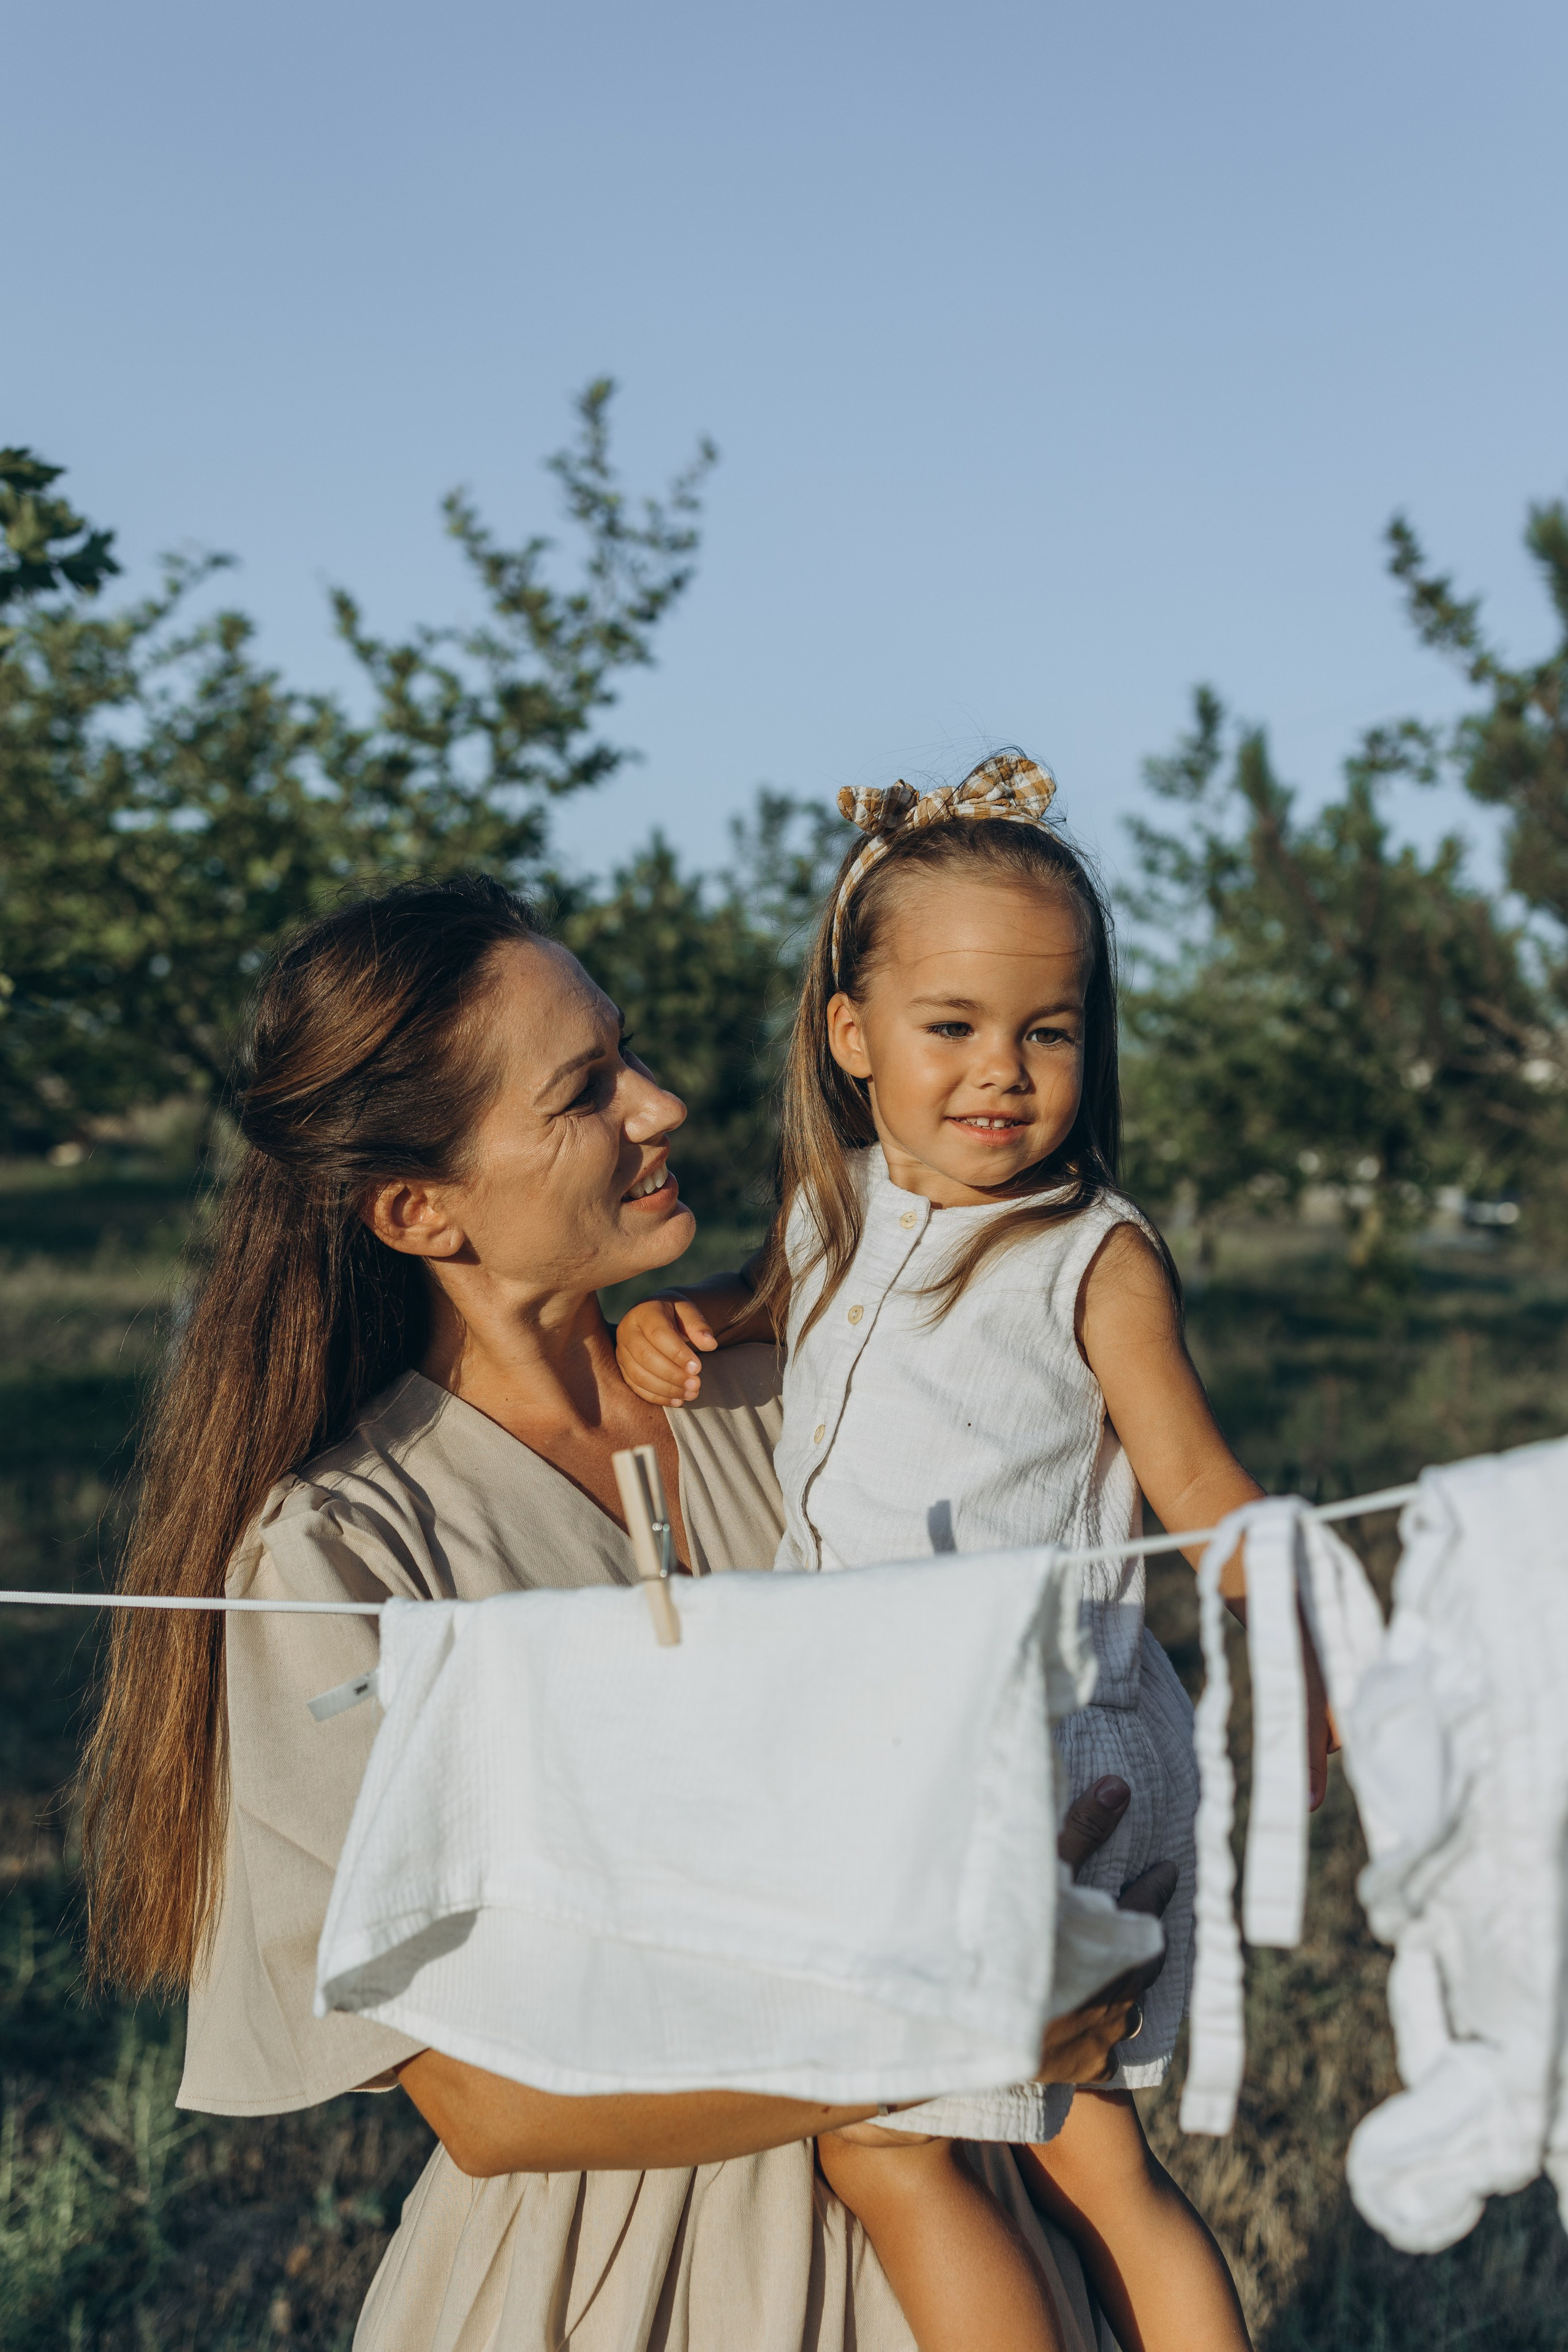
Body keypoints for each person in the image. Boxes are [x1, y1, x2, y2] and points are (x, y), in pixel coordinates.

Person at [79, 873, 1170, 2352]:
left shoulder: (821, 1400)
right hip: (612, 2287)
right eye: (587, 1089)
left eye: (629, 1054)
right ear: (418, 1209)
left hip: (967, 2233)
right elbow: (482, 2105)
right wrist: (939, 2032)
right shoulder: (343, 1559)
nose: (658, 1105)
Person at [616, 754, 1327, 2352]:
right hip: (908, 1744)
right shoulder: (835, 1211)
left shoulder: (1091, 1257)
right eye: (954, 1027)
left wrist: (1292, 1642)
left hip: (1013, 1753)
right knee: (1086, 2146)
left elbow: (1202, 1480)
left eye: (1048, 1031)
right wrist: (686, 1335)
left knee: (886, 2145)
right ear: (851, 1038)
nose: (1002, 1071)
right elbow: (762, 1329)